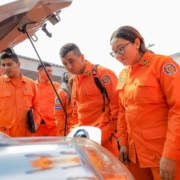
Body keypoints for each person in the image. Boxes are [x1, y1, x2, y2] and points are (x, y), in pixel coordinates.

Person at [110, 25, 180, 180]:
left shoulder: (162, 64)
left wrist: (170, 154)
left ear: (136, 42)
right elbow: (123, 112)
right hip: (135, 156)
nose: (118, 55)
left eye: (121, 49)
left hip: (161, 153)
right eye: (114, 52)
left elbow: (178, 109)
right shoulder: (123, 74)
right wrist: (123, 143)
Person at [59, 43, 119, 157]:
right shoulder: (73, 81)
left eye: (71, 61)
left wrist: (111, 131)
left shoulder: (102, 73)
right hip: (84, 139)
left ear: (81, 57)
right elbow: (76, 110)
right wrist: (73, 132)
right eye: (65, 64)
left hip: (104, 138)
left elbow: (118, 105)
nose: (69, 67)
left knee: (109, 173)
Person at [0, 53, 41, 137]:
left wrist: (36, 124)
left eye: (9, 64)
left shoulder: (31, 84)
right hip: (5, 136)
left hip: (26, 134)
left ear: (18, 64)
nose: (6, 68)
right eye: (3, 65)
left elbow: (37, 106)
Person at [34, 62, 60, 136]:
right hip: (36, 127)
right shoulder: (32, 86)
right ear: (39, 71)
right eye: (48, 71)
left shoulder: (56, 86)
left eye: (51, 71)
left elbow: (61, 104)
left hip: (53, 127)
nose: (51, 73)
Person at [55, 71, 77, 136]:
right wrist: (63, 132)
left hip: (78, 126)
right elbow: (58, 114)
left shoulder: (77, 89)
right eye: (70, 73)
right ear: (66, 78)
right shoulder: (61, 92)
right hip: (69, 129)